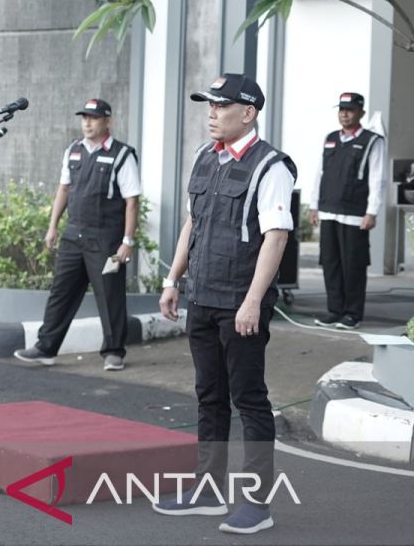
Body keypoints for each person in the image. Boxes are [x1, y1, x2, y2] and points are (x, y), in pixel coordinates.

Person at [154, 74, 295, 536]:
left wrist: (253, 301)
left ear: (248, 112)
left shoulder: (270, 166)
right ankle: (208, 489)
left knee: (249, 400)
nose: (211, 113)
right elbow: (192, 224)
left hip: (241, 304)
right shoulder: (205, 156)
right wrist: (173, 279)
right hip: (202, 296)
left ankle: (258, 504)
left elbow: (276, 237)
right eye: (208, 105)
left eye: (221, 105)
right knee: (209, 397)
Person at [15, 99, 141, 371]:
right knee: (61, 292)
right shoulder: (73, 150)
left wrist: (127, 241)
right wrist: (52, 227)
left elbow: (132, 201)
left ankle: (114, 352)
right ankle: (45, 348)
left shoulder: (122, 155)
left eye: (94, 118)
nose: (87, 123)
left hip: (106, 240)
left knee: (110, 295)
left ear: (107, 121)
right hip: (74, 236)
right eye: (84, 117)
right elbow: (64, 189)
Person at [308, 92, 385, 330]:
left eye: (350, 109)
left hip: (355, 214)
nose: (344, 113)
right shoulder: (330, 139)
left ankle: (352, 314)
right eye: (341, 109)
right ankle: (335, 311)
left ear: (361, 112)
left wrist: (372, 211)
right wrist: (314, 205)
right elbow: (320, 174)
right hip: (329, 211)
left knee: (353, 265)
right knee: (330, 263)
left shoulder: (373, 141)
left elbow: (377, 178)